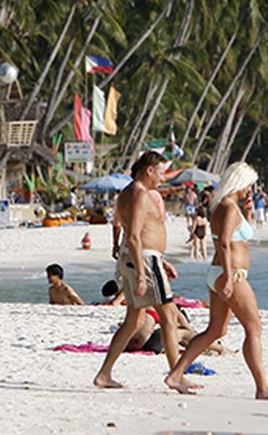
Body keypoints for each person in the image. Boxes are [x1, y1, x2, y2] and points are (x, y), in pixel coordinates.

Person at [164, 162, 268, 401]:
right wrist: (229, 278)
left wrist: (248, 212)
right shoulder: (229, 208)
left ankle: (176, 374)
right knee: (254, 328)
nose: (251, 189)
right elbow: (224, 243)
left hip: (219, 272)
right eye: (249, 184)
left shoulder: (223, 206)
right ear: (240, 183)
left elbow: (237, 236)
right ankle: (262, 387)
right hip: (231, 274)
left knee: (216, 330)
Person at [93, 151, 184, 390]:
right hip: (143, 261)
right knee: (169, 317)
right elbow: (133, 237)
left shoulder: (129, 193)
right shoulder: (140, 194)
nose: (163, 178)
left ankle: (104, 374)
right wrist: (144, 274)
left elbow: (138, 234)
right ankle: (176, 375)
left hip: (142, 259)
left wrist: (161, 261)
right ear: (149, 170)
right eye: (161, 172)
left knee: (133, 320)